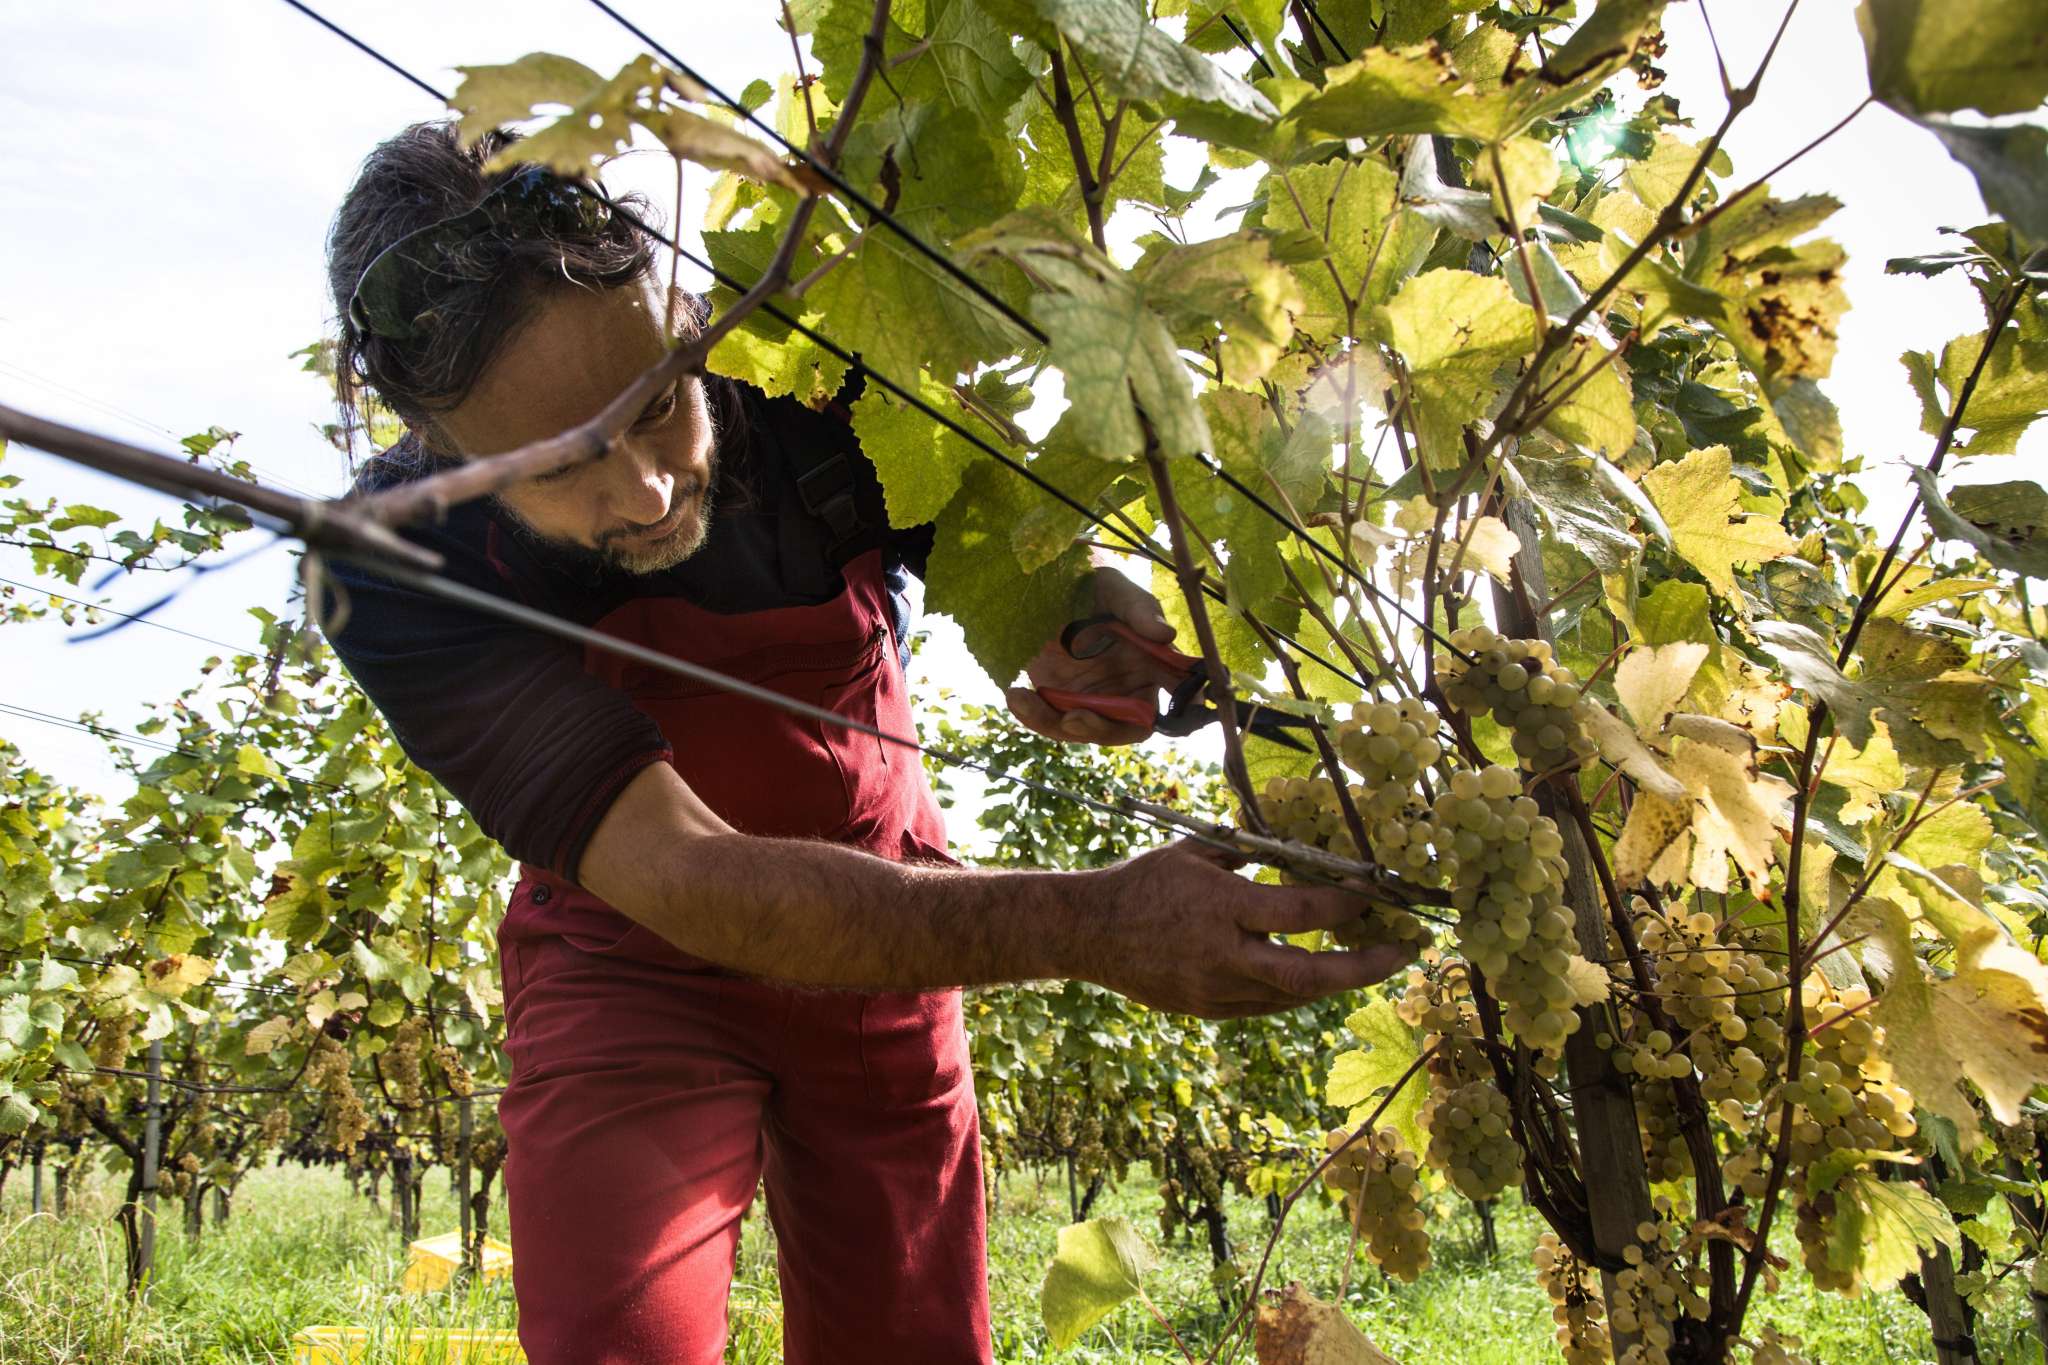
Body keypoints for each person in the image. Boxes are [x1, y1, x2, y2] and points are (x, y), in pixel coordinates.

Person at [320, 121, 1404, 1365]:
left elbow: (989, 556)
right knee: (615, 1338)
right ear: (442, 454)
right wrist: (1090, 922)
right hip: (632, 970)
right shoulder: (392, 566)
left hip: (895, 935)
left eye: (657, 403)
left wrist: (1065, 617)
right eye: (559, 466)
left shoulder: (817, 383)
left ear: (682, 313)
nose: (648, 490)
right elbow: (685, 878)